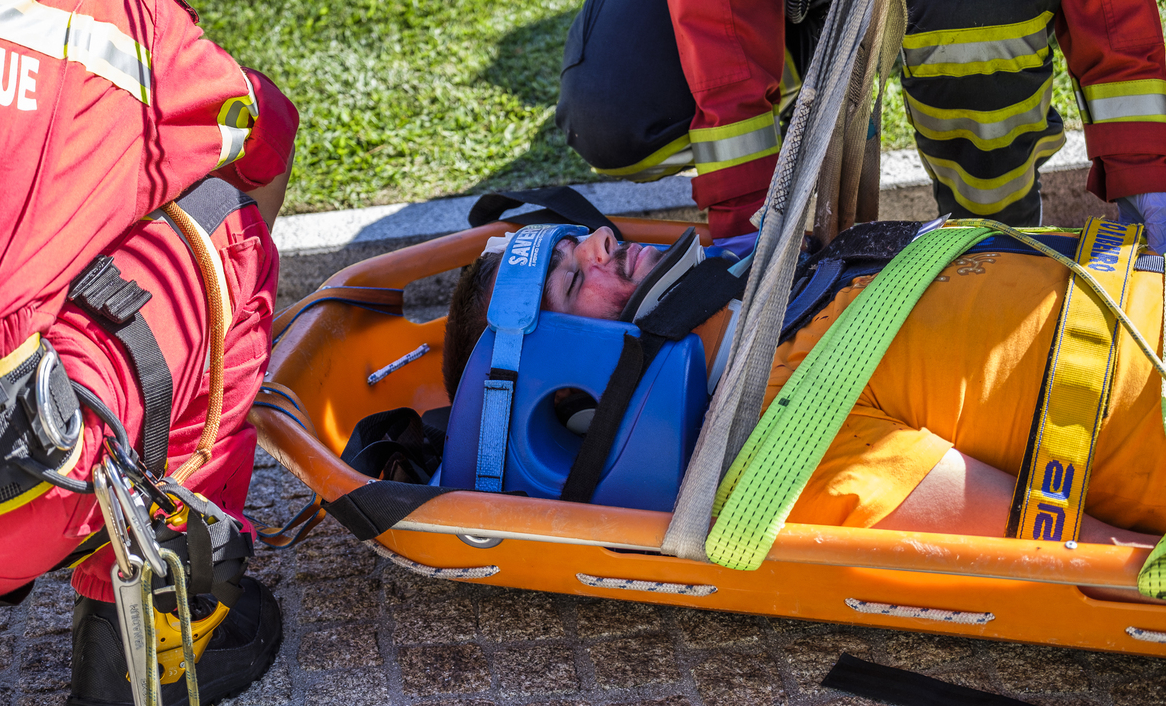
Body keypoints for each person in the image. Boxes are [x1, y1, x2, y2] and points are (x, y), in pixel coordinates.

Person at [0, 0, 299, 704]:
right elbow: (260, 137)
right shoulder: (81, 0)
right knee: (222, 224)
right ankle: (160, 638)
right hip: (0, 501)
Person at [442, 225, 1166, 560]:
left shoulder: (795, 271)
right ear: (577, 404)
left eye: (577, 242)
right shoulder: (780, 453)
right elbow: (1075, 555)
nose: (599, 244)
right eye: (572, 280)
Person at [555, 0, 1166, 246]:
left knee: (978, 5)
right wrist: (750, 227)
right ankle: (813, 40)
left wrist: (1149, 182)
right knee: (619, 117)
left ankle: (995, 236)